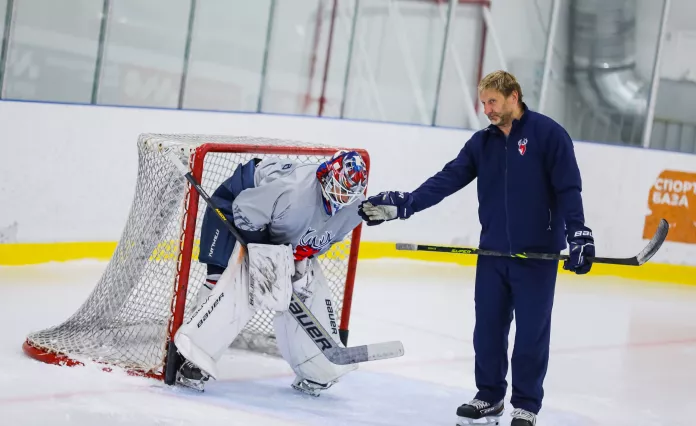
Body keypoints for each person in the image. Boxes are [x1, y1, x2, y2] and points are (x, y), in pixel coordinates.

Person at [358, 70, 594, 426]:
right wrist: (407, 204)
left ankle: (526, 404)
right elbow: (448, 178)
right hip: (493, 254)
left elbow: (568, 188)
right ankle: (489, 396)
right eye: (483, 102)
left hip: (536, 257)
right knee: (487, 329)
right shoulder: (482, 143)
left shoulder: (549, 135)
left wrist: (578, 231)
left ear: (514, 96)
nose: (487, 110)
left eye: (493, 101)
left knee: (531, 334)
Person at [172, 149, 369, 397]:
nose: (342, 196)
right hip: (237, 206)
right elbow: (246, 210)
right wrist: (265, 254)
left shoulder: (352, 207)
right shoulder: (295, 191)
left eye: (349, 193)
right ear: (328, 175)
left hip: (273, 221)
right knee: (227, 279)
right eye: (340, 188)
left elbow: (318, 237)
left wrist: (291, 259)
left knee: (303, 282)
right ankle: (192, 356)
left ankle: (316, 366)